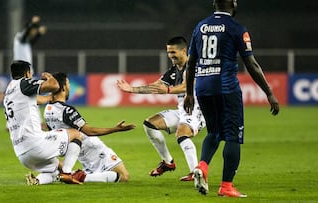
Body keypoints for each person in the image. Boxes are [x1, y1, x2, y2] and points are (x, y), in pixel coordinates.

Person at [184, 0, 279, 197]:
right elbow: (251, 64)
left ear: (214, 4)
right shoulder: (236, 28)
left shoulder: (200, 26)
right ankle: (226, 186)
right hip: (226, 87)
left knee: (214, 132)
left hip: (202, 86)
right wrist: (269, 92)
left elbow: (191, 62)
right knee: (233, 135)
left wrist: (188, 93)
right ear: (234, 4)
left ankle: (202, 166)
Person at [117, 36, 206, 181]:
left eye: (173, 52)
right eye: (169, 52)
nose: (171, 56)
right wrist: (131, 89)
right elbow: (156, 86)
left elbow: (188, 86)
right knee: (150, 124)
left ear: (184, 51)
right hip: (183, 110)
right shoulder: (173, 71)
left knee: (182, 134)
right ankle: (168, 162)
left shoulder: (196, 65)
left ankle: (194, 172)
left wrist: (169, 90)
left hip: (198, 110)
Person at [43, 72, 135, 183]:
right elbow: (89, 131)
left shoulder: (48, 109)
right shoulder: (66, 110)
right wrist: (116, 129)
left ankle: (70, 176)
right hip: (92, 148)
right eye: (68, 85)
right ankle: (75, 177)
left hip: (79, 152)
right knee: (123, 176)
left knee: (99, 176)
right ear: (63, 88)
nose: (69, 88)